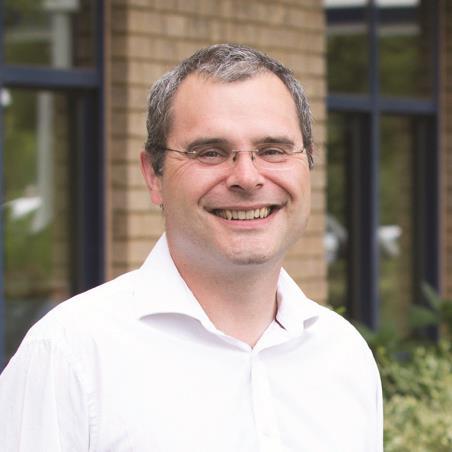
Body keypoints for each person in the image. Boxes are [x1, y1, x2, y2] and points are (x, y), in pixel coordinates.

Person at [0, 43, 383, 451]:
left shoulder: (345, 356)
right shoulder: (69, 356)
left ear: (308, 163)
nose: (247, 177)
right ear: (154, 176)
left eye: (272, 150)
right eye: (211, 152)